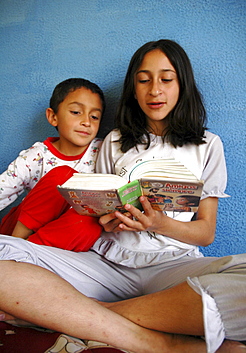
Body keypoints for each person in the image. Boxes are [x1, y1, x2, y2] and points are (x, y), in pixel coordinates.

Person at [0, 40, 245, 353]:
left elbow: (205, 232)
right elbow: (99, 213)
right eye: (144, 80)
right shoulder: (115, 142)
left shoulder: (208, 145)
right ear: (134, 87)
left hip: (171, 267)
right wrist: (111, 220)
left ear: (182, 84)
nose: (154, 90)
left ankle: (81, 314)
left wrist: (156, 223)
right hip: (106, 263)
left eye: (166, 79)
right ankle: (159, 339)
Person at [0, 78, 105, 250]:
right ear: (53, 117)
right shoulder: (37, 155)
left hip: (54, 243)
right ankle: (11, 249)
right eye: (76, 112)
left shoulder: (103, 151)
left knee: (90, 222)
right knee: (63, 176)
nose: (87, 122)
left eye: (94, 116)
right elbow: (3, 189)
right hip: (17, 232)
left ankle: (24, 255)